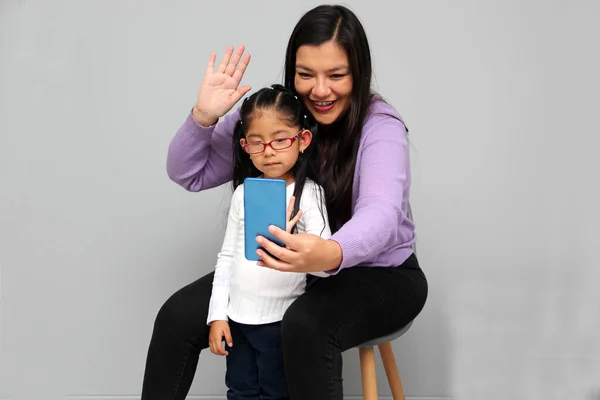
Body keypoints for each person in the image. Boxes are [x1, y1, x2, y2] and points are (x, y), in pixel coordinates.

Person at [141, 4, 428, 400]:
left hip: (381, 275)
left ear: (359, 72)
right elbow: (188, 173)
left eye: (337, 75)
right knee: (176, 317)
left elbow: (381, 215)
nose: (320, 90)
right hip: (293, 268)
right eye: (306, 74)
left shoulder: (380, 127)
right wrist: (202, 118)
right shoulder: (278, 118)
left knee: (306, 324)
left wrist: (329, 251)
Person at [206, 84, 331, 400]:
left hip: (280, 321)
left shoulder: (309, 195)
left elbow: (325, 264)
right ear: (245, 145)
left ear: (302, 140)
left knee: (277, 393)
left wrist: (295, 241)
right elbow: (227, 258)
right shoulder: (243, 194)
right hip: (238, 319)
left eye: (279, 140)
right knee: (240, 391)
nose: (269, 151)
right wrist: (218, 315)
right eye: (257, 143)